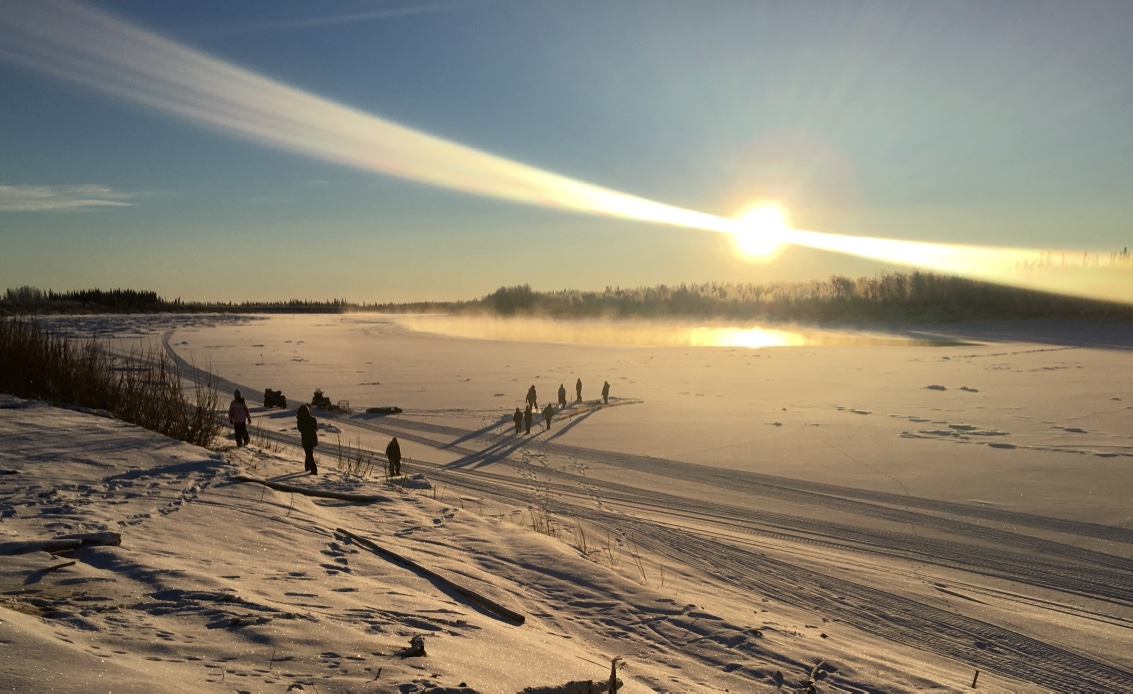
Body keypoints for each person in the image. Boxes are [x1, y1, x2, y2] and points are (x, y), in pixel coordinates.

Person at [296, 404, 319, 474]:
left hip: (306, 439)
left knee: (309, 454)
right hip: (313, 439)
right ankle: (307, 466)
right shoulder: (312, 419)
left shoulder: (300, 420)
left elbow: (300, 429)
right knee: (309, 453)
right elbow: (316, 428)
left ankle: (313, 469)